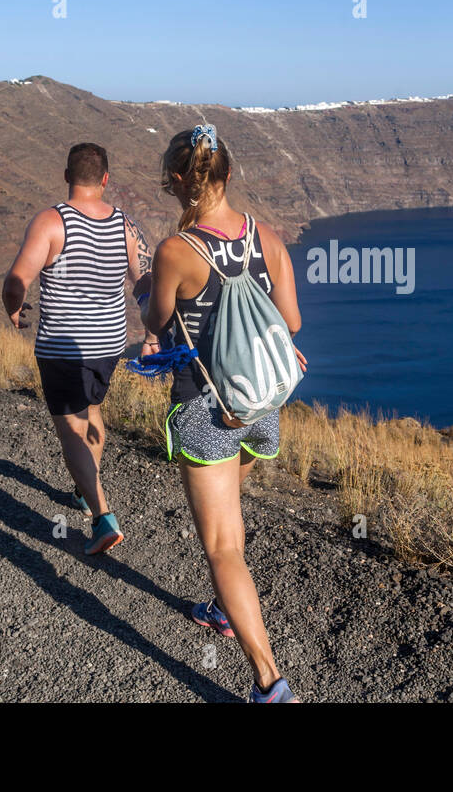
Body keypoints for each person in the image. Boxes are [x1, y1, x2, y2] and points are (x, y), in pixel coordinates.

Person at [144, 124, 307, 703]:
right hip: (262, 401)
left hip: (211, 406)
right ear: (228, 174)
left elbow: (157, 322)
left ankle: (270, 682)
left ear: (176, 181)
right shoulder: (270, 239)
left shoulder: (175, 252)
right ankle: (223, 606)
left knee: (223, 546)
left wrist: (149, 287)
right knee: (229, 521)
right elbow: (290, 324)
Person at [2, 142, 153, 554]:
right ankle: (87, 489)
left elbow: (17, 279)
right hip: (108, 345)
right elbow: (146, 282)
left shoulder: (51, 222)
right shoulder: (127, 226)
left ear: (66, 175)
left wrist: (13, 310)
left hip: (62, 347)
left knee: (70, 428)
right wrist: (153, 334)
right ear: (105, 179)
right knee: (92, 413)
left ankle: (102, 516)